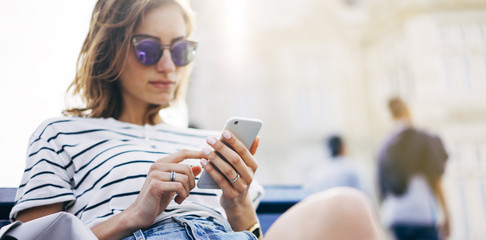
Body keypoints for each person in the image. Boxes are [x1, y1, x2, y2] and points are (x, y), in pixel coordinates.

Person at [7, 0, 385, 239]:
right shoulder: (61, 134)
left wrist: (237, 203)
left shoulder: (209, 139)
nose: (168, 65)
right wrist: (134, 215)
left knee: (348, 207)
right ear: (110, 49)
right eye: (149, 49)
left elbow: (251, 234)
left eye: (181, 50)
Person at [377, 97, 450, 240]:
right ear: (407, 110)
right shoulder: (424, 139)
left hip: (395, 216)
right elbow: (435, 179)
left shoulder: (383, 146)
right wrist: (447, 213)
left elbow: (381, 188)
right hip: (421, 214)